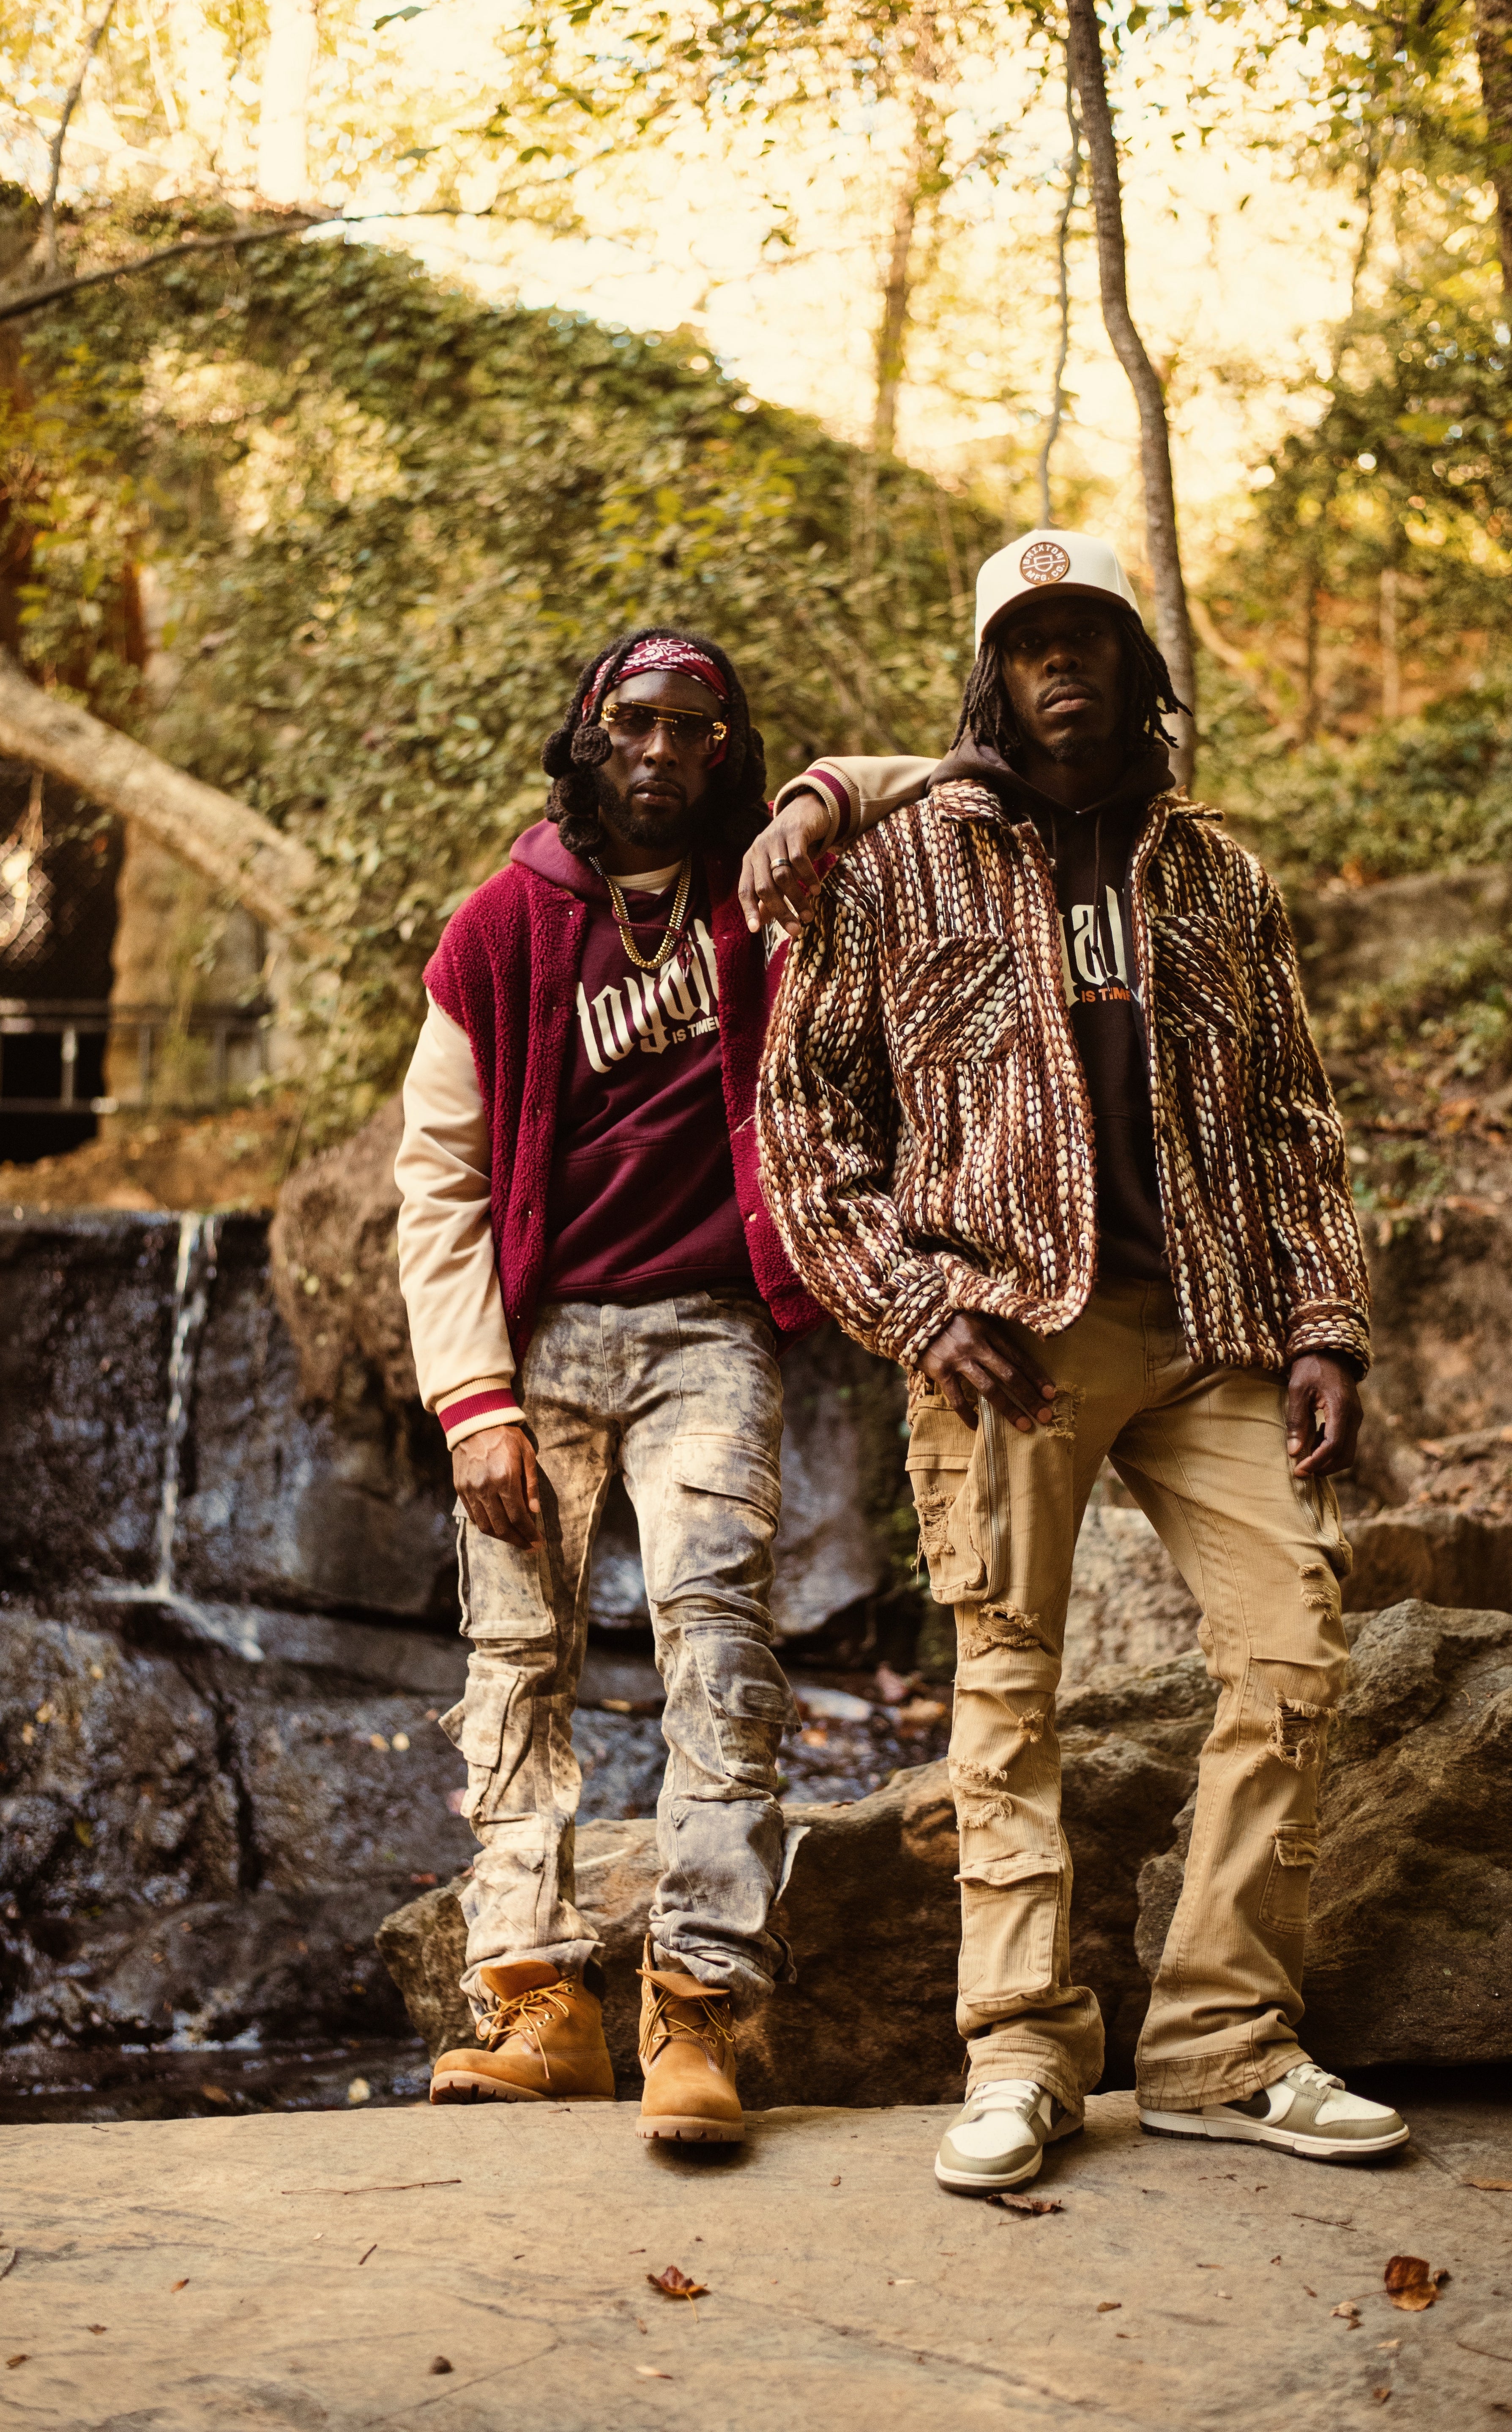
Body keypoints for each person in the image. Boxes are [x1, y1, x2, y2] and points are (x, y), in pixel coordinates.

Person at [751, 529, 1409, 2190]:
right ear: (990, 672)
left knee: (1295, 1656)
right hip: (1005, 1336)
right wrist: (911, 1300)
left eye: (1089, 636)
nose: (1061, 665)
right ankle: (1026, 2052)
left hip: (1208, 1326)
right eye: (1029, 640)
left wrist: (1324, 1319)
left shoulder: (1216, 876)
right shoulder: (898, 867)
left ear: (1133, 663)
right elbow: (799, 1114)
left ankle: (1220, 2044)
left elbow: (1289, 1116)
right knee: (1010, 1695)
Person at [394, 627, 821, 2144]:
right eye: (634, 721)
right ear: (589, 737)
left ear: (727, 750)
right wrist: (478, 1400)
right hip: (544, 1338)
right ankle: (540, 2002)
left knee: (722, 1640)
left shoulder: (770, 909)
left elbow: (936, 795)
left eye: (694, 727)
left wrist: (826, 804)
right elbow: (439, 1183)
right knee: (515, 1658)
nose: (660, 750)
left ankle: (695, 2015)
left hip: (711, 1327)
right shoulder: (500, 930)